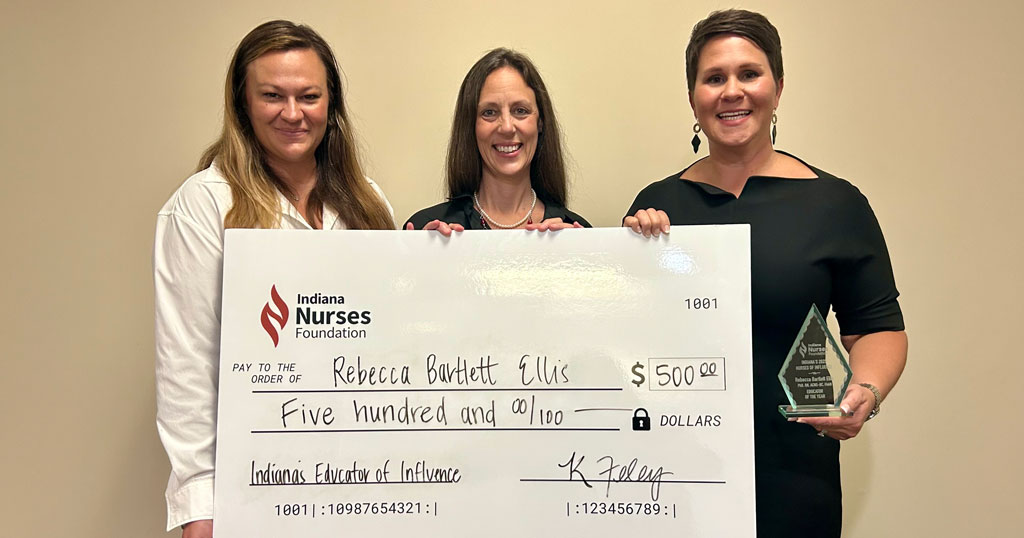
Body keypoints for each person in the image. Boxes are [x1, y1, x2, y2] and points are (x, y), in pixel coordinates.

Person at [624, 9, 907, 537]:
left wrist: (865, 392)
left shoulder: (835, 204)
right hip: (675, 475)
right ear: (693, 98)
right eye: (714, 78)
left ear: (777, 87)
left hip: (794, 474)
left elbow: (876, 327)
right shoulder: (655, 209)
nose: (732, 91)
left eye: (749, 74)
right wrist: (628, 255)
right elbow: (625, 341)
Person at [153, 20, 394, 537]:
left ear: (331, 106)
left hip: (367, 481)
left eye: (308, 96)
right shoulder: (204, 205)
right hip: (256, 486)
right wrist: (199, 504)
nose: (292, 113)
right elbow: (187, 364)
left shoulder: (368, 204)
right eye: (271, 96)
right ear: (242, 104)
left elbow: (395, 342)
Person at [405, 48, 589, 234]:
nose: (507, 127)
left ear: (540, 122)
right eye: (489, 112)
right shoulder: (426, 231)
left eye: (520, 110)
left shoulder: (576, 232)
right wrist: (424, 257)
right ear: (471, 126)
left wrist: (579, 257)